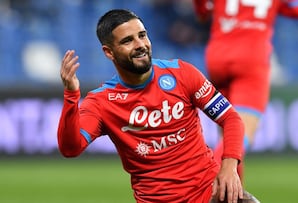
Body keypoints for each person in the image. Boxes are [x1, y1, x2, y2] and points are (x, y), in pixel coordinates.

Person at [58, 9, 260, 203]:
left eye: (142, 35)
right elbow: (71, 148)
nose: (140, 45)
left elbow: (231, 118)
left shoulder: (182, 74)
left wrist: (229, 166)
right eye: (128, 41)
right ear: (109, 52)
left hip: (209, 193)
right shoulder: (101, 103)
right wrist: (71, 95)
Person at [192, 0, 298, 180]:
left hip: (218, 57)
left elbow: (202, 12)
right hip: (251, 59)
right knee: (237, 140)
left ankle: (232, 197)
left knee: (229, 139)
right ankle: (201, 185)